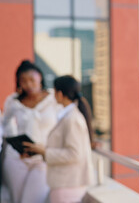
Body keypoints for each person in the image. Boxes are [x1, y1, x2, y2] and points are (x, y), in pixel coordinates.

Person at [23, 75, 94, 203]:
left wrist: (45, 151)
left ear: (60, 94)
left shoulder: (72, 119)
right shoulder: (68, 115)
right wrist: (40, 151)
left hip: (68, 184)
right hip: (65, 183)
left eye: (54, 91)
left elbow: (74, 154)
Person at [1, 60, 60, 203]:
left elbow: (65, 124)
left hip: (42, 159)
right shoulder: (13, 101)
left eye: (32, 80)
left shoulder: (53, 99)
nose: (28, 84)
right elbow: (5, 123)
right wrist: (16, 140)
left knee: (32, 199)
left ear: (40, 77)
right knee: (16, 199)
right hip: (17, 158)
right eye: (24, 81)